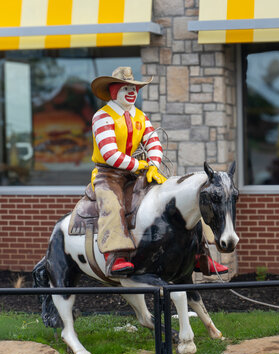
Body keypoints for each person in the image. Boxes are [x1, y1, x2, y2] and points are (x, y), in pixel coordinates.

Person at [90, 67, 227, 276]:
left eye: (135, 88)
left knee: (183, 199)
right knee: (111, 202)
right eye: (126, 88)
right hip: (109, 175)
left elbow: (153, 142)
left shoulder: (140, 116)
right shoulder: (102, 117)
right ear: (114, 91)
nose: (132, 92)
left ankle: (200, 255)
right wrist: (141, 166)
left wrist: (153, 164)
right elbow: (109, 153)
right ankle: (116, 255)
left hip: (140, 171)